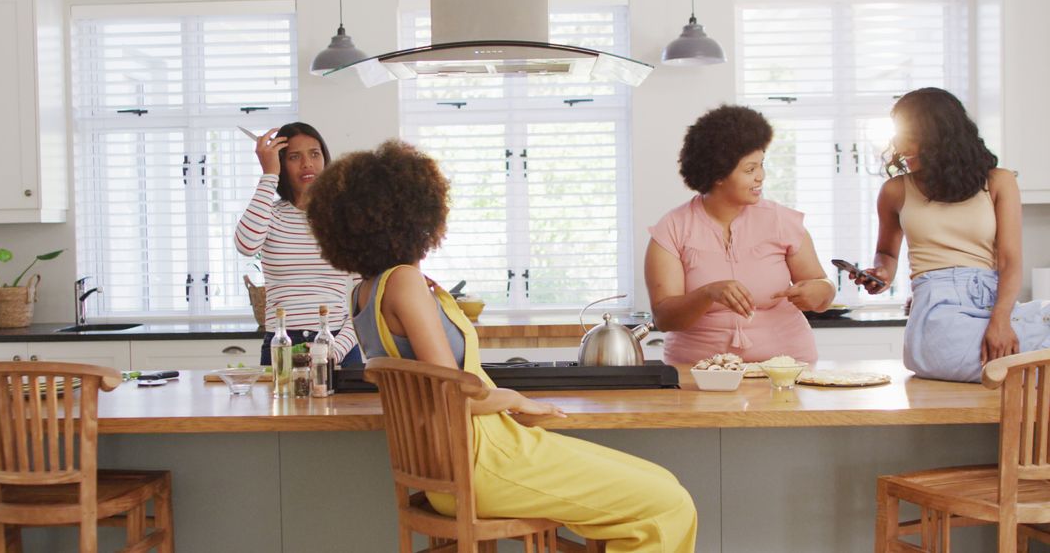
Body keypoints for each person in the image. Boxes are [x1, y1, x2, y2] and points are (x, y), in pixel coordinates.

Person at [306, 140, 698, 552]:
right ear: (409, 215)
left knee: (661, 486)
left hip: (462, 459)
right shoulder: (403, 282)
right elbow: (452, 390)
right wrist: (513, 398)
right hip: (482, 460)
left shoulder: (364, 293)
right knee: (668, 505)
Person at [854, 87, 1050, 382]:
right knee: (1022, 361)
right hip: (938, 312)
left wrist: (1000, 320)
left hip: (991, 300)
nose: (900, 144)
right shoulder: (894, 190)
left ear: (938, 137)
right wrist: (881, 272)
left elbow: (1010, 261)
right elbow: (888, 253)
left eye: (910, 135)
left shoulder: (998, 182)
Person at [645, 105, 835, 365]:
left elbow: (822, 288)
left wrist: (819, 292)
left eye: (761, 166)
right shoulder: (672, 228)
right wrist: (708, 293)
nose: (761, 177)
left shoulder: (782, 221)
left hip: (786, 368)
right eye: (750, 170)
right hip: (699, 371)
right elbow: (664, 318)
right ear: (718, 175)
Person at [234, 122, 362, 367]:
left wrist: (334, 348)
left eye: (314, 154)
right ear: (281, 163)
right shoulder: (272, 215)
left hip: (337, 344)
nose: (307, 164)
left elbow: (363, 300)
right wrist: (269, 174)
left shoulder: (346, 218)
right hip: (282, 344)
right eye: (294, 157)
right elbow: (246, 245)